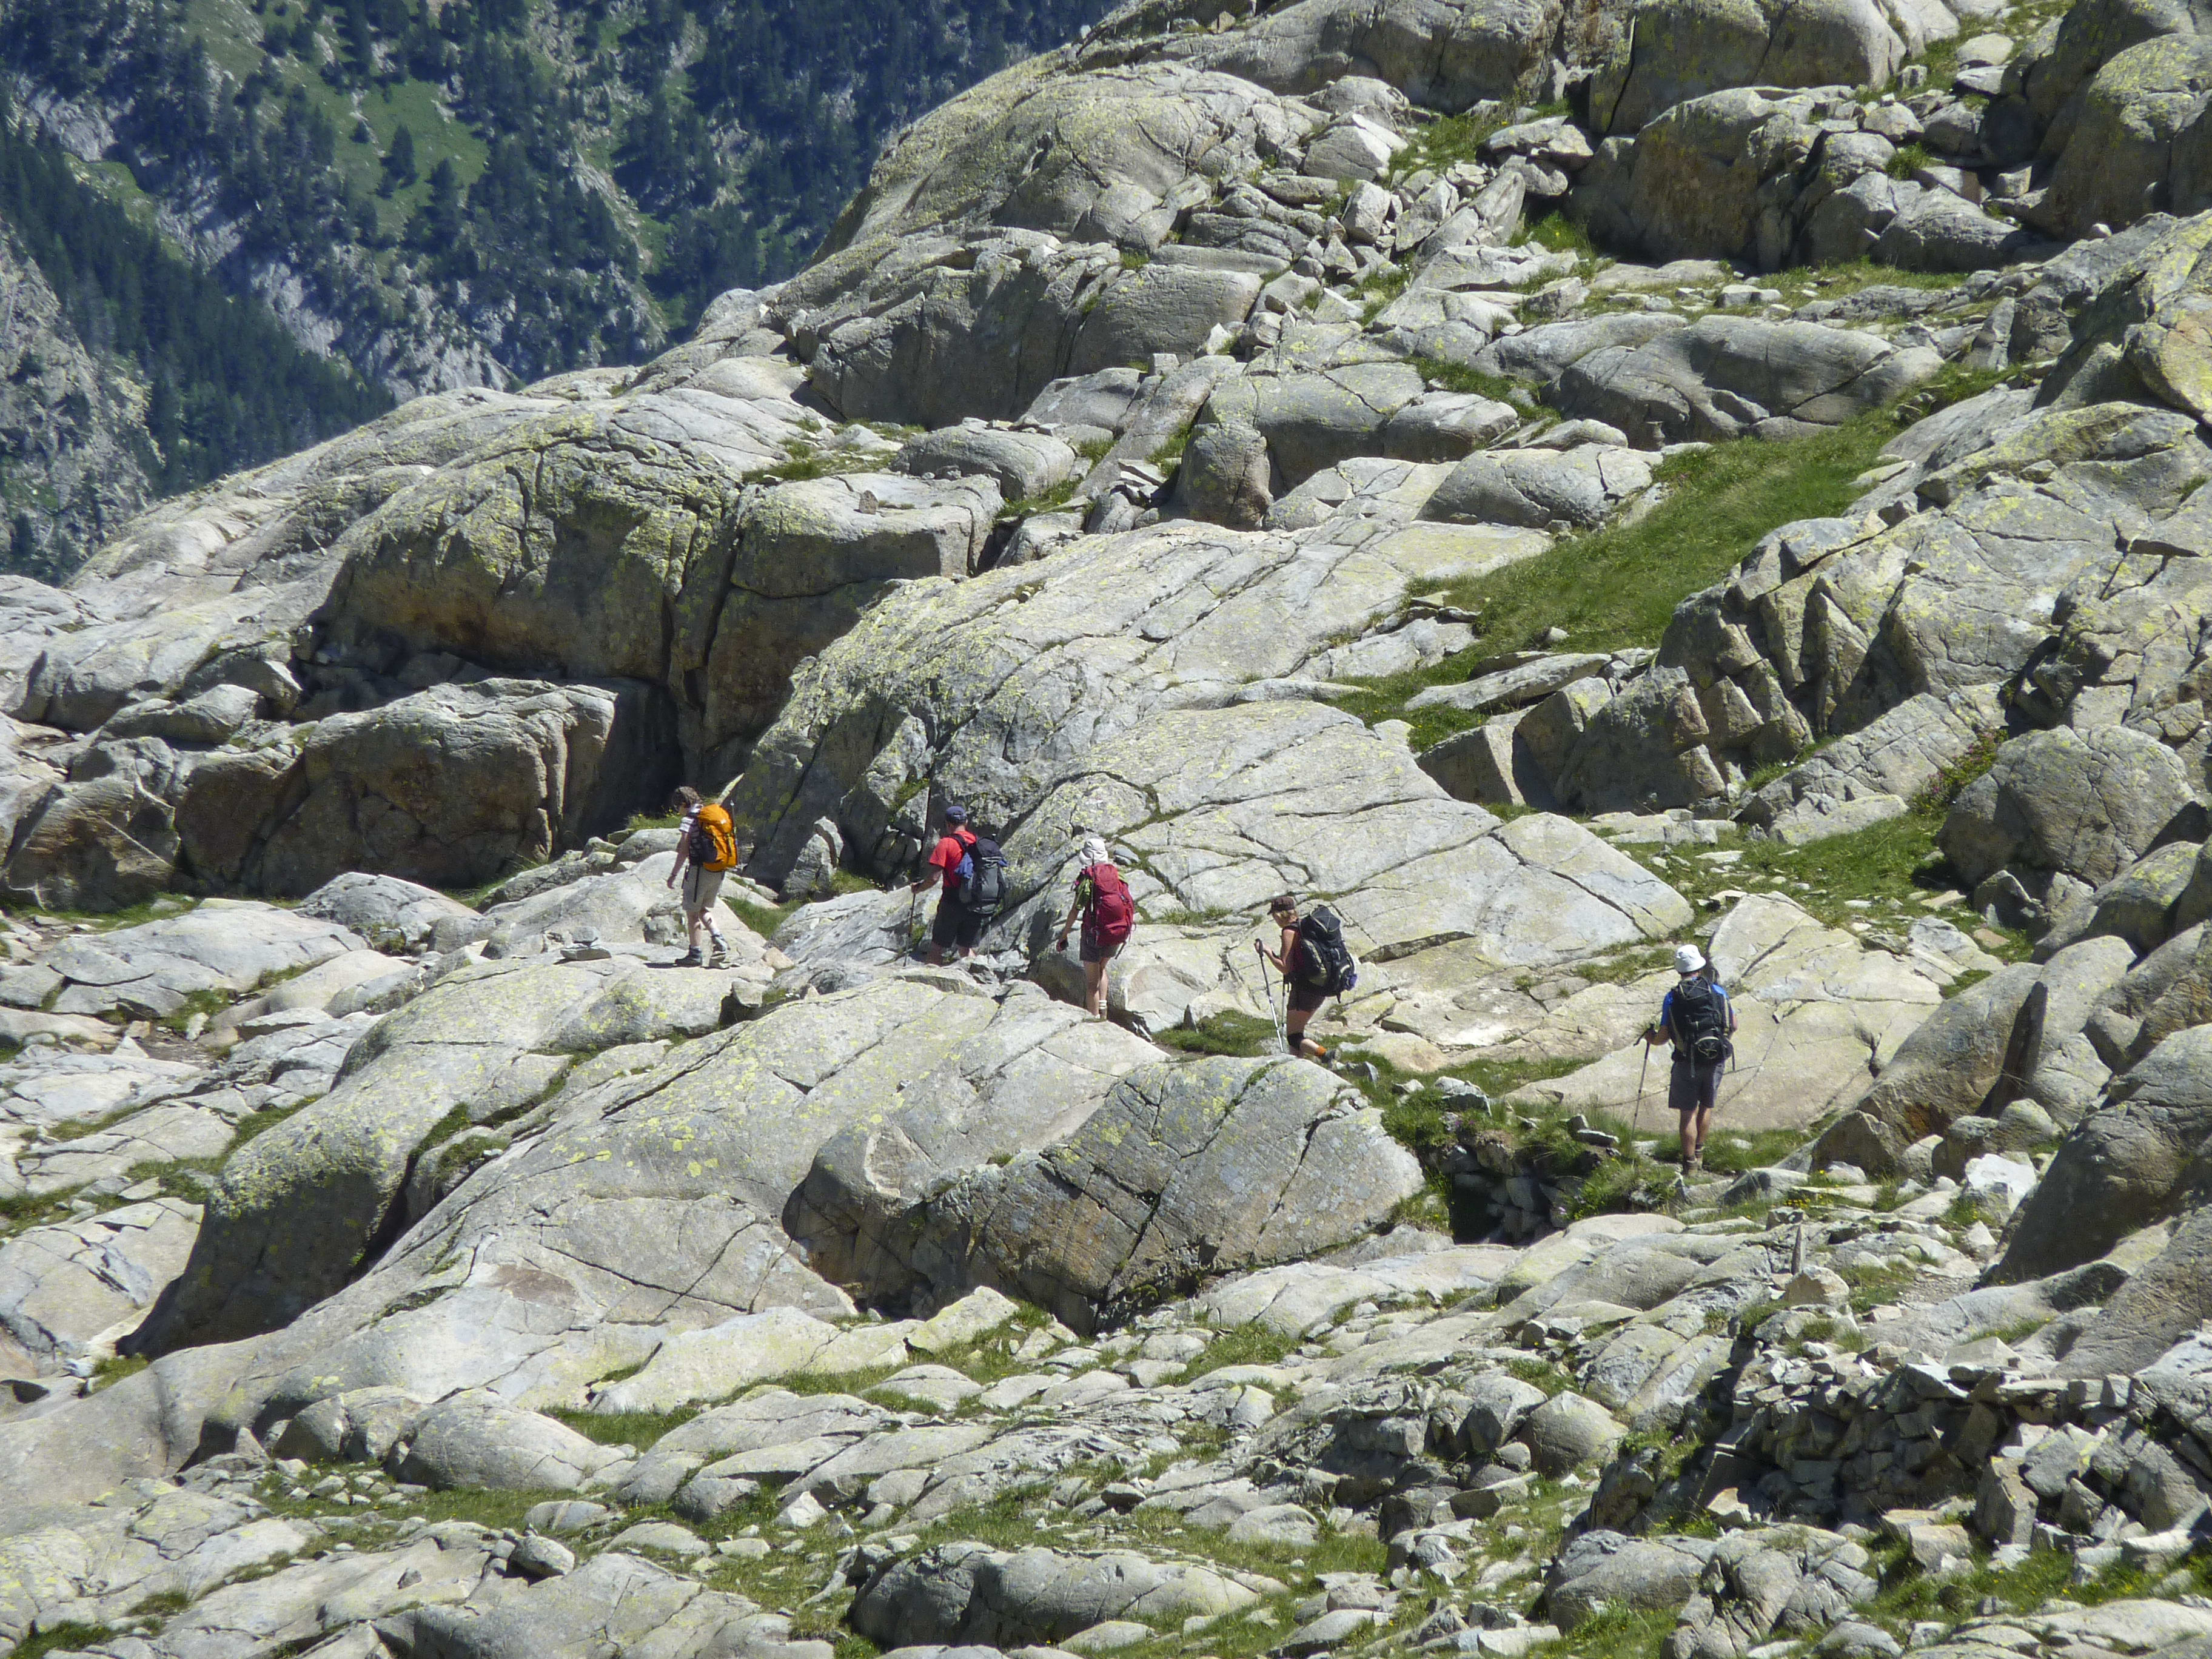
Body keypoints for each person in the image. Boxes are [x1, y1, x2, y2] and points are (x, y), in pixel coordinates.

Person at [1641, 943, 1736, 1173]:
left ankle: (1690, 1165)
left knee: (1688, 1113)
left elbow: (1663, 1037)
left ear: (1679, 971)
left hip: (1686, 1061)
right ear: (1700, 968)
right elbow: (1732, 1025)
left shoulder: (1672, 998)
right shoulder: (1718, 992)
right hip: (1715, 1058)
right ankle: (1700, 1153)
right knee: (1706, 1107)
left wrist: (1649, 1038)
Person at [1055, 835, 1134, 1016]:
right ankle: (1104, 1009)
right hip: (1116, 931)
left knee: (1092, 984)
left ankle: (1094, 1017)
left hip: (1094, 935)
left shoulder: (1087, 880)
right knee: (1102, 968)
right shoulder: (1118, 875)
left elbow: (1075, 911)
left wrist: (1064, 935)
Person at [665, 785, 736, 967]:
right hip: (718, 869)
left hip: (699, 870)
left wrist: (674, 874)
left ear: (683, 804)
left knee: (692, 913)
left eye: (677, 808)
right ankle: (718, 938)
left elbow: (684, 849)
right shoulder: (710, 813)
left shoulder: (691, 819)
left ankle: (695, 953)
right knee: (703, 908)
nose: (678, 812)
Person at [1256, 893, 1331, 1064]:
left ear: (1278, 914)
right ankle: (1295, 1065)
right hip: (1321, 985)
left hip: (1304, 990)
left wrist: (1267, 951)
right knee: (1297, 1034)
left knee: (1294, 1037)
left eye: (1274, 915)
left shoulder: (1289, 932)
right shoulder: (1305, 927)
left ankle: (1325, 1054)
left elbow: (1284, 967)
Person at [908, 803, 981, 965]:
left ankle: (928, 983)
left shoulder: (946, 843)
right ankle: (978, 978)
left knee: (937, 947)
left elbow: (934, 878)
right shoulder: (977, 842)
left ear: (948, 824)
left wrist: (918, 888)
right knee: (965, 947)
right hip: (975, 902)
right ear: (966, 822)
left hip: (952, 901)